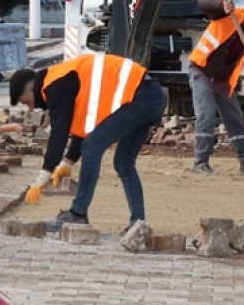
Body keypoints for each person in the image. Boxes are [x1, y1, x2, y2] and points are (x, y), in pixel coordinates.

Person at [9, 53, 167, 232]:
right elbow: (87, 128)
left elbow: (59, 134)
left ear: (31, 89)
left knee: (92, 146)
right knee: (123, 163)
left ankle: (78, 214)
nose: (31, 107)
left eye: (26, 101)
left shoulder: (55, 84)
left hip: (138, 96)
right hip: (151, 95)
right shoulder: (63, 78)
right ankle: (138, 224)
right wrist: (67, 162)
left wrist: (43, 176)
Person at [189, 0, 244, 175]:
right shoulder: (225, 14)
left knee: (235, 119)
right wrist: (221, 4)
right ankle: (200, 162)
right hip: (202, 72)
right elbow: (202, 2)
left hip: (223, 80)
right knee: (206, 115)